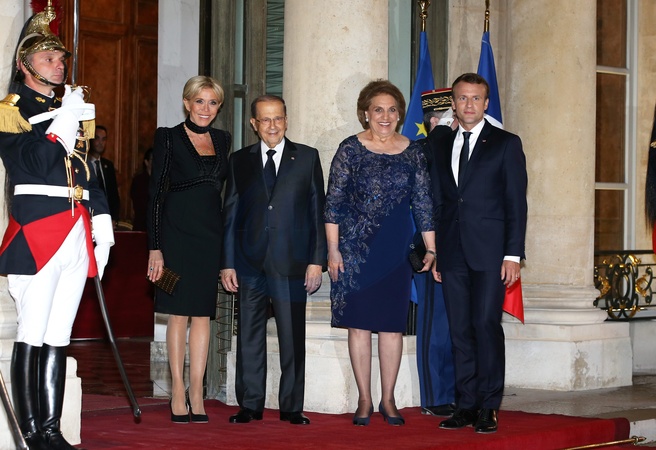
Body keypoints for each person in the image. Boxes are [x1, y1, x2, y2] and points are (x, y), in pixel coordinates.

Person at [0, 6, 114, 450]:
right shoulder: (10, 111)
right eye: (48, 58)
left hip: (75, 229)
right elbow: (36, 162)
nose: (58, 64)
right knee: (32, 332)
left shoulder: (69, 108)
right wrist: (66, 117)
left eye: (61, 58)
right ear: (24, 65)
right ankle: (29, 432)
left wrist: (102, 224)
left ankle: (51, 430)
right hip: (38, 231)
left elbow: (86, 171)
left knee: (58, 336)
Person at [325, 80, 435, 427]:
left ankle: (388, 399)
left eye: (391, 110)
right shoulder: (350, 149)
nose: (385, 116)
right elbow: (333, 205)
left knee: (391, 327)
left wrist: (432, 248)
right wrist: (332, 250)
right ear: (365, 114)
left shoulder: (414, 152)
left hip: (396, 252)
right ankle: (364, 399)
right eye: (378, 110)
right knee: (358, 327)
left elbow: (423, 203)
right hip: (355, 251)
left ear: (399, 114)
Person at [221, 94, 326, 426]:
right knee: (249, 335)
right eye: (265, 119)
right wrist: (227, 263)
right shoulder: (239, 160)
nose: (272, 125)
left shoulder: (307, 157)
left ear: (286, 120)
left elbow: (317, 211)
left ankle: (292, 406)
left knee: (292, 336)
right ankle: (250, 404)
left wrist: (316, 261)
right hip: (248, 262)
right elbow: (230, 214)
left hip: (292, 262)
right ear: (254, 124)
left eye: (278, 118)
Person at [431, 73, 527, 434]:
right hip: (452, 252)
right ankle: (466, 405)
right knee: (460, 330)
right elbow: (440, 201)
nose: (469, 104)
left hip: (491, 253)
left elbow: (516, 203)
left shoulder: (506, 143)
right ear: (453, 104)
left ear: (486, 104)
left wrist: (513, 255)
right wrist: (436, 251)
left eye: (476, 98)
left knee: (485, 325)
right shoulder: (442, 143)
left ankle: (489, 406)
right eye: (462, 98)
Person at [147, 76, 231, 424]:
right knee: (177, 313)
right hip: (175, 236)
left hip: (210, 238)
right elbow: (156, 193)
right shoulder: (167, 137)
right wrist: (155, 248)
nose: (205, 109)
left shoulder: (223, 140)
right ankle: (178, 390)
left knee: (202, 314)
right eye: (199, 101)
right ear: (186, 103)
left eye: (212, 103)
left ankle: (197, 391)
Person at [413, 88, 457, 417]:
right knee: (437, 326)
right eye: (454, 116)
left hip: (463, 248)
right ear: (436, 121)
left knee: (458, 326)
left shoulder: (463, 149)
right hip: (432, 250)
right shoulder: (422, 151)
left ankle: (456, 391)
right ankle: (435, 395)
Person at [89, 125, 121, 225]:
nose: (100, 143)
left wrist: (114, 218)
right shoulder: (83, 164)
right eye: (97, 138)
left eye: (103, 139)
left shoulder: (108, 165)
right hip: (89, 216)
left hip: (107, 218)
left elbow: (114, 195)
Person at [130, 147, 153, 231]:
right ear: (146, 162)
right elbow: (139, 205)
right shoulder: (139, 180)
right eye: (153, 159)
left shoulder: (161, 180)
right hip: (142, 225)